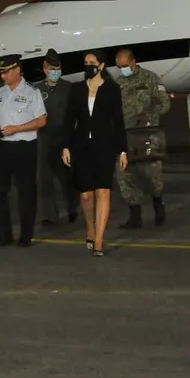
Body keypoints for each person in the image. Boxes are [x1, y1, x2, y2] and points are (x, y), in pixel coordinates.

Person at [62, 49, 128, 257]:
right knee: (86, 195)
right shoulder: (77, 89)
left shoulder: (111, 89)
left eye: (92, 62)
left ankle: (99, 238)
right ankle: (90, 227)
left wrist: (123, 150)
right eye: (85, 62)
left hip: (104, 146)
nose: (88, 65)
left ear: (101, 65)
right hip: (81, 146)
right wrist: (65, 146)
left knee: (104, 190)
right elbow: (68, 120)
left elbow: (118, 122)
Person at [0, 54, 47, 247]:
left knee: (26, 192)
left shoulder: (32, 92)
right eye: (1, 73)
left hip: (24, 147)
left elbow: (42, 120)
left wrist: (17, 128)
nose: (3, 76)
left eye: (5, 72)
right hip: (1, 147)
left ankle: (25, 236)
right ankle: (3, 235)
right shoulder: (0, 93)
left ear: (17, 70)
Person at [113, 47, 171, 227]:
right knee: (125, 175)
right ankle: (135, 215)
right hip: (126, 135)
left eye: (124, 65)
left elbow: (165, 103)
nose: (122, 69)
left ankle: (158, 205)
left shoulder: (150, 79)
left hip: (147, 134)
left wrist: (150, 115)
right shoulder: (119, 82)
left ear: (133, 62)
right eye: (118, 66)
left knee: (152, 174)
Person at [34, 48, 78, 225]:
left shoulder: (69, 88)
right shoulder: (36, 89)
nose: (55, 72)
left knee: (67, 177)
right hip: (43, 138)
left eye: (58, 68)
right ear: (45, 69)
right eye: (52, 69)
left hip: (64, 138)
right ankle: (49, 215)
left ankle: (72, 208)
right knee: (44, 180)